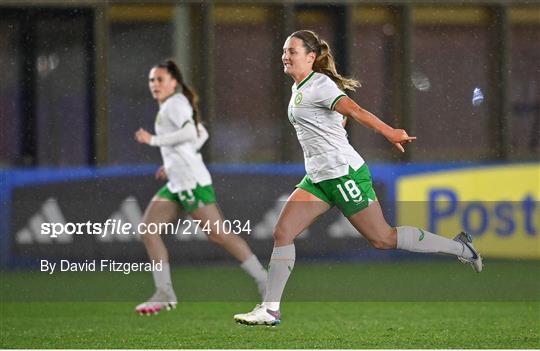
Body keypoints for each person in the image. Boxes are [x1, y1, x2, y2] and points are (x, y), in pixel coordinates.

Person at [233, 30, 482, 326]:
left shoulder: (320, 84)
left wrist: (389, 132)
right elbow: (335, 117)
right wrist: (337, 122)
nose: (285, 56)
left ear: (310, 58)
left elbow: (355, 109)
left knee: (383, 239)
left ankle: (461, 248)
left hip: (343, 173)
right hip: (318, 177)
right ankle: (270, 310)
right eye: (284, 50)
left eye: (292, 51)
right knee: (283, 232)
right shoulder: (301, 87)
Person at [134, 59, 267, 315]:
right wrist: (173, 163)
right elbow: (200, 134)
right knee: (149, 230)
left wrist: (153, 140)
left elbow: (187, 134)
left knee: (219, 235)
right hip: (177, 181)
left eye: (160, 79)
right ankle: (164, 292)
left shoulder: (175, 104)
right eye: (152, 80)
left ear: (174, 83)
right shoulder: (173, 105)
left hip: (192, 182)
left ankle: (264, 280)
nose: (155, 84)